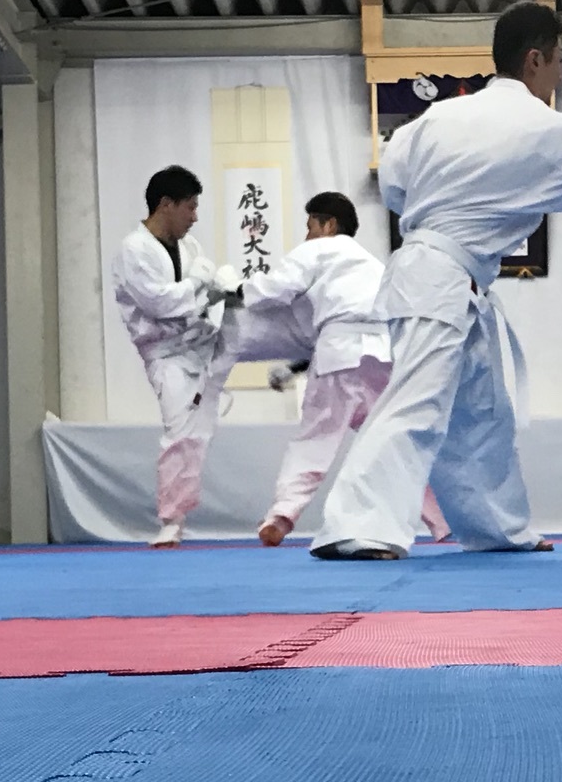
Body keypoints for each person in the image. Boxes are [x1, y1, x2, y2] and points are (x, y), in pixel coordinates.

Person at [313, 0, 562, 560]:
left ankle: (497, 527)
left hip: (442, 277)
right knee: (416, 403)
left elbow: (393, 187)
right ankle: (356, 526)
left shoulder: (433, 118)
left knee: (482, 415)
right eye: (560, 59)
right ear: (535, 59)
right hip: (439, 280)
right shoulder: (548, 129)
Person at [238, 190, 450, 548]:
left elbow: (269, 292)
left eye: (310, 226)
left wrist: (236, 289)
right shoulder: (374, 263)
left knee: (314, 441)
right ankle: (441, 521)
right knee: (392, 443)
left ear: (328, 225)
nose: (307, 234)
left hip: (338, 354)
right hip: (382, 356)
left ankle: (280, 516)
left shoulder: (318, 250)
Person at [109, 164, 240, 547]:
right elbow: (160, 303)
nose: (195, 217)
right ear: (166, 204)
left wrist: (216, 288)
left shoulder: (190, 248)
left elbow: (204, 291)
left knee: (199, 434)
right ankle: (171, 520)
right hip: (166, 354)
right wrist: (199, 282)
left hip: (204, 341)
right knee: (181, 432)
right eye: (190, 207)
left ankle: (295, 360)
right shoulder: (133, 249)